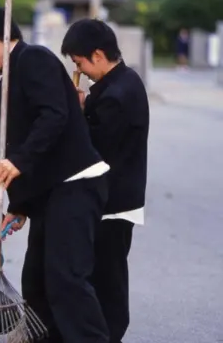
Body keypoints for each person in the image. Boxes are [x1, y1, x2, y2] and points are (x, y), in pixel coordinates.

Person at [0, 4, 111, 343]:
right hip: (50, 194)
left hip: (76, 185)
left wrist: (18, 162)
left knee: (66, 280)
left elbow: (53, 117)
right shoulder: (10, 77)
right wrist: (21, 205)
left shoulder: (35, 60)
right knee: (37, 281)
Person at [61, 19, 149, 343]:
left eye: (79, 62)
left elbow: (93, 150)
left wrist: (76, 110)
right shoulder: (123, 82)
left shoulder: (117, 94)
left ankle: (110, 337)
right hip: (115, 200)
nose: (79, 70)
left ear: (97, 54)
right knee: (105, 277)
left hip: (113, 202)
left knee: (108, 281)